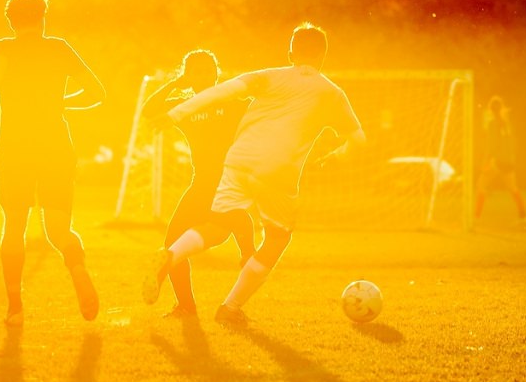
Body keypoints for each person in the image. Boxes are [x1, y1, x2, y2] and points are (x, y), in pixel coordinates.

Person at [142, 22, 366, 327]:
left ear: (290, 53)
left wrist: (175, 114)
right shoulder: (332, 93)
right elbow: (358, 140)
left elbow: (220, 92)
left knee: (218, 226)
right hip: (277, 170)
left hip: (237, 163)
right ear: (323, 57)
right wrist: (335, 157)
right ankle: (229, 306)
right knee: (276, 236)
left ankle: (172, 257)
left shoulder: (265, 77)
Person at [0, 0, 105, 326]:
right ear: (43, 18)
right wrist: (62, 104)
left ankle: (15, 307)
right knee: (59, 230)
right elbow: (96, 92)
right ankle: (77, 269)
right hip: (56, 145)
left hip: (17, 146)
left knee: (14, 225)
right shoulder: (58, 48)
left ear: (11, 21)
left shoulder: (1, 48)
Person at [141, 50, 255, 318]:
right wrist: (174, 84)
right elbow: (149, 111)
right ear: (188, 75)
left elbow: (262, 113)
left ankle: (247, 251)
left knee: (217, 231)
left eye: (208, 70)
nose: (204, 76)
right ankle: (186, 306)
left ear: (216, 72)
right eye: (197, 71)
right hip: (203, 181)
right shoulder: (185, 107)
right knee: (173, 243)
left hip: (230, 179)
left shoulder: (233, 102)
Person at [474, 95, 526, 222]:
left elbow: (492, 146)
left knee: (481, 185)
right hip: (509, 162)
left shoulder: (492, 124)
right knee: (513, 188)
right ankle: (524, 215)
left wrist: (485, 161)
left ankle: (476, 217)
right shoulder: (507, 124)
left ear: (490, 110)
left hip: (497, 162)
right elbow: (512, 143)